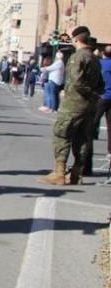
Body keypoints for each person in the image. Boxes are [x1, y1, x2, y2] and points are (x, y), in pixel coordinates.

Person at [38, 27, 103, 185]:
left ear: (76, 40)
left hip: (74, 104)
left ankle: (59, 172)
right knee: (82, 139)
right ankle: (76, 173)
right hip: (90, 106)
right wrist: (93, 96)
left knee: (62, 135)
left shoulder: (77, 57)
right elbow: (101, 84)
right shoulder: (95, 59)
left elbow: (76, 81)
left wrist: (87, 93)